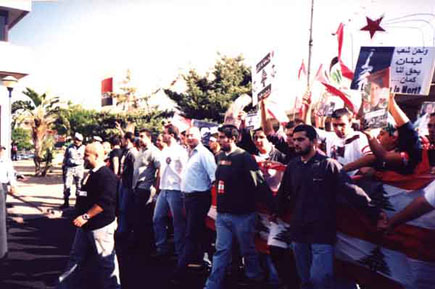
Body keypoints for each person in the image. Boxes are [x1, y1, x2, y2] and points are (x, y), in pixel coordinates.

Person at [275, 125, 379, 289]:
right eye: (294, 140)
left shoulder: (329, 165)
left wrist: (376, 213)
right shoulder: (293, 165)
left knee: (320, 279)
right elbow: (284, 193)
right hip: (298, 232)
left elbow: (352, 191)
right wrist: (276, 212)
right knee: (305, 280)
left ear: (314, 141)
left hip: (321, 233)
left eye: (301, 139)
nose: (296, 143)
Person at [205, 124, 273, 289]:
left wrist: (273, 207)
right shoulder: (220, 156)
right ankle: (212, 285)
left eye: (222, 137)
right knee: (221, 251)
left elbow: (259, 184)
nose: (219, 140)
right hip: (222, 215)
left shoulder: (245, 157)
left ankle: (254, 278)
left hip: (243, 215)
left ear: (233, 138)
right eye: (219, 137)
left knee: (248, 250)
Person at [57, 142, 120, 289]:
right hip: (86, 227)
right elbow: (85, 199)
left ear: (97, 156)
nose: (83, 158)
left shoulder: (106, 176)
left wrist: (85, 217)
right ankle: (63, 286)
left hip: (100, 227)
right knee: (75, 258)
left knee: (106, 262)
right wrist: (65, 212)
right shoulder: (92, 173)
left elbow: (104, 202)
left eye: (86, 155)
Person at [173, 126, 216, 282]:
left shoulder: (204, 154)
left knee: (191, 234)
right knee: (200, 233)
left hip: (199, 198)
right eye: (188, 135)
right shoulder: (188, 154)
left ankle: (180, 272)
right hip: (189, 198)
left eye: (193, 135)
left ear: (199, 136)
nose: (189, 138)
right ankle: (209, 263)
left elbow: (214, 178)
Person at [153, 124, 187, 259]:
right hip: (164, 189)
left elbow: (185, 171)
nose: (163, 135)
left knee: (178, 222)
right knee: (157, 218)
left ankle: (180, 252)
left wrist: (183, 189)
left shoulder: (181, 151)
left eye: (165, 133)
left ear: (171, 135)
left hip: (176, 190)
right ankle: (161, 247)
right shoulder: (164, 151)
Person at [131, 128, 161, 253]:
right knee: (138, 218)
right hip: (137, 188)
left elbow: (160, 170)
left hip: (146, 189)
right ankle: (139, 244)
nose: (140, 138)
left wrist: (156, 189)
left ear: (149, 138)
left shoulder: (154, 152)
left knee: (144, 219)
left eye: (142, 136)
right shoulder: (141, 151)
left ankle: (146, 247)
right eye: (139, 136)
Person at [117, 132, 138, 236]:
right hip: (123, 182)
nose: (121, 141)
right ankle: (121, 228)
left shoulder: (133, 153)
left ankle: (124, 231)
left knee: (125, 208)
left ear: (128, 140)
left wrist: (133, 185)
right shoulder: (126, 151)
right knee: (121, 207)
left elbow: (135, 169)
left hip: (128, 184)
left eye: (123, 139)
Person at [0, 146, 17, 260]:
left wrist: (13, 185)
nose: (2, 151)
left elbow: (11, 173)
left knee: (2, 214)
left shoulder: (6, 161)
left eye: (2, 150)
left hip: (2, 187)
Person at [61, 133, 85, 209]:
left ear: (81, 141)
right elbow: (65, 157)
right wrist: (64, 166)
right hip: (69, 168)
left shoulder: (84, 148)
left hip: (79, 168)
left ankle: (79, 203)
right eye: (76, 139)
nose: (76, 141)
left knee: (80, 186)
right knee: (67, 186)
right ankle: (66, 202)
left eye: (78, 140)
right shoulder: (69, 147)